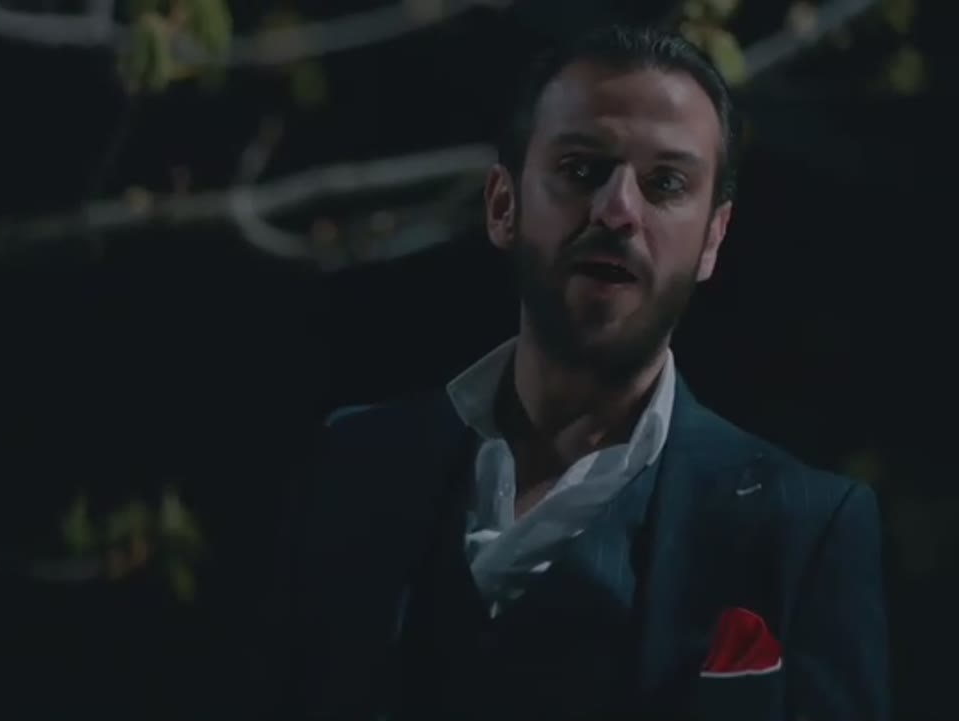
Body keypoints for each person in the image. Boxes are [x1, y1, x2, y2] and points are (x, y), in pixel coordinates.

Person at [268, 24, 889, 721]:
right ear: (503, 205)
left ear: (713, 238)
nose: (618, 210)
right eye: (583, 169)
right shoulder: (354, 466)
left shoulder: (803, 528)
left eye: (666, 183)